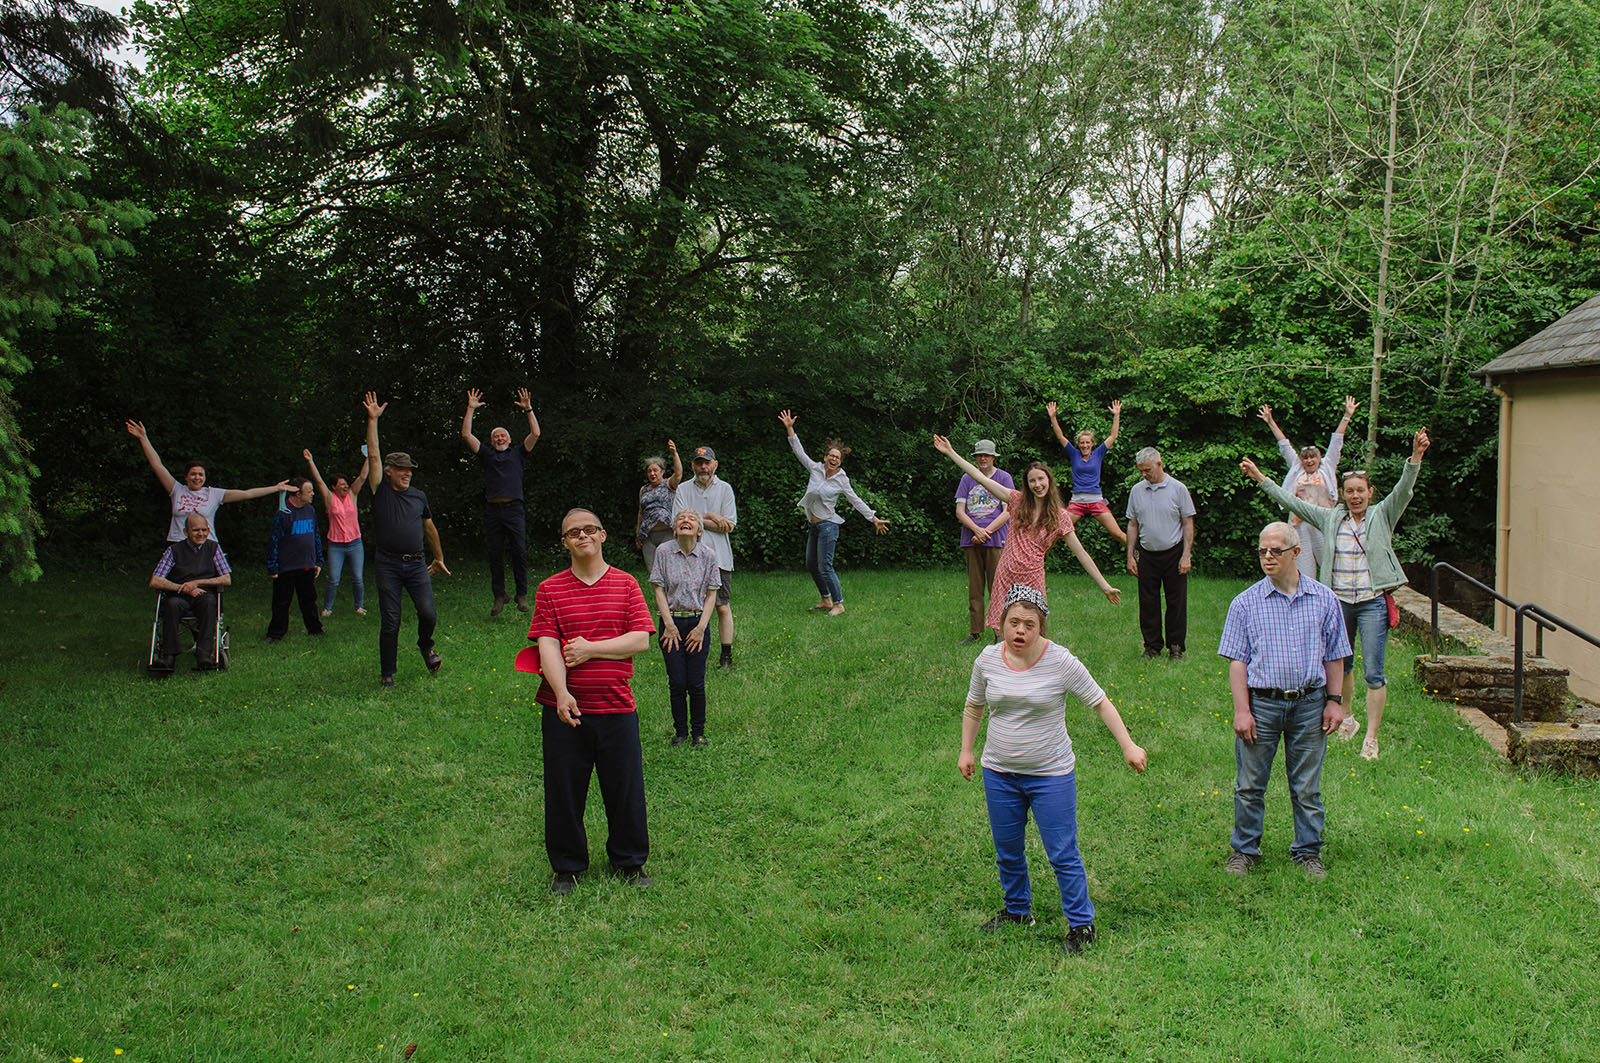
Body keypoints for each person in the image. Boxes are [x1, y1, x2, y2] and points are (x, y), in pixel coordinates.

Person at [959, 584, 1147, 955]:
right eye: (1014, 622)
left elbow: (1100, 702)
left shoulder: (1061, 661)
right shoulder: (987, 660)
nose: (1020, 631)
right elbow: (973, 706)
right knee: (1007, 848)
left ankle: (1081, 925)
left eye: (1029, 624)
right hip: (999, 771)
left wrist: (1128, 745)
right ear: (1002, 624)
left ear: (1041, 627)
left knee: (1062, 851)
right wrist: (967, 750)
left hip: (1051, 775)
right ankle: (1017, 911)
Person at [1240, 428, 1431, 760]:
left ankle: (1371, 737)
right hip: (1338, 601)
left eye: (1361, 491)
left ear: (1370, 493)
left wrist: (1415, 457)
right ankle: (1348, 718)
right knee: (1341, 666)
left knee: (1374, 670)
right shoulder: (1331, 518)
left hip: (1371, 603)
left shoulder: (1382, 515)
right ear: (1341, 494)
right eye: (1349, 491)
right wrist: (1261, 478)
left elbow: (1404, 489)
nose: (1355, 496)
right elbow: (1292, 501)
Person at [530, 508, 657, 894]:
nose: (582, 536)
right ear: (565, 542)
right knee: (564, 791)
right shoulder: (550, 589)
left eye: (589, 530)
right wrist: (562, 693)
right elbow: (547, 644)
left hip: (617, 706)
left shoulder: (626, 585)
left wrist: (589, 650)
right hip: (565, 710)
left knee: (625, 790)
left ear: (602, 535)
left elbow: (640, 639)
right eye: (573, 533)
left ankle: (630, 862)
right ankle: (567, 867)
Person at [1218, 521, 1351, 880]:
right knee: (1249, 784)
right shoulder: (1244, 603)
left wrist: (1334, 701)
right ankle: (1245, 851)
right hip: (1262, 704)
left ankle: (1308, 852)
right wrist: (1242, 710)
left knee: (1307, 785)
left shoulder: (1324, 599)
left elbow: (1335, 655)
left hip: (1309, 704)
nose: (1267, 557)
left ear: (1296, 553)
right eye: (1262, 550)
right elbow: (1237, 661)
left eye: (1275, 550)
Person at [933, 435, 1121, 639]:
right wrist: (951, 453)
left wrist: (1105, 586)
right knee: (1002, 632)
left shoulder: (1061, 517)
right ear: (1027, 484)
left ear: (1049, 480)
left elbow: (1082, 554)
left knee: (1033, 632)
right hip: (1006, 574)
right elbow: (981, 479)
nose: (1037, 484)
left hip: (1033, 577)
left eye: (1041, 479)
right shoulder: (1016, 500)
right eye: (1032, 481)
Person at [364, 392, 450, 689]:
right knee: (391, 620)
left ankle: (426, 645)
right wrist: (373, 420)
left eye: (410, 469)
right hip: (387, 563)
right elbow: (373, 454)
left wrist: (438, 557)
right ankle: (388, 673)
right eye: (402, 469)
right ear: (388, 472)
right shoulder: (381, 492)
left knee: (428, 612)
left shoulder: (418, 496)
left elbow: (429, 527)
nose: (408, 473)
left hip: (416, 565)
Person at [778, 409, 890, 617]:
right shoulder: (815, 469)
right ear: (825, 457)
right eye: (831, 455)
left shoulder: (842, 480)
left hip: (829, 526)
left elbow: (855, 500)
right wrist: (790, 429)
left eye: (837, 457)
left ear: (840, 461)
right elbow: (799, 451)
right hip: (814, 525)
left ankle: (839, 603)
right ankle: (826, 600)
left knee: (825, 565)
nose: (833, 459)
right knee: (811, 564)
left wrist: (873, 517)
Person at [125, 420, 290, 543]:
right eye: (193, 474)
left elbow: (247, 493)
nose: (197, 477)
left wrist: (276, 488)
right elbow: (157, 465)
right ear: (186, 477)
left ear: (205, 477)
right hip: (178, 543)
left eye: (200, 475)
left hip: (207, 545)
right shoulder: (177, 490)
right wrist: (143, 438)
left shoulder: (214, 494)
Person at [1258, 397, 1358, 580]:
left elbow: (1336, 442)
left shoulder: (1327, 468)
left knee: (1332, 567)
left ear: (1319, 458)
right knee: (1304, 572)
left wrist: (1347, 416)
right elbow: (1284, 445)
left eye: (1313, 457)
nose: (1309, 461)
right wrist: (1271, 422)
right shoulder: (1297, 469)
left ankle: (1337, 600)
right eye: (1306, 458)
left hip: (1322, 522)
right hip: (1299, 524)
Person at [461, 387, 541, 615]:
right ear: (491, 441)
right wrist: (470, 409)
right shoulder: (487, 454)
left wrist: (529, 410)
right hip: (493, 511)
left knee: (519, 552)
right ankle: (499, 596)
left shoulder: (518, 453)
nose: (499, 437)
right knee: (494, 553)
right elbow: (467, 435)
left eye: (502, 435)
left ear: (509, 439)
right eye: (495, 436)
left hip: (514, 509)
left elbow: (535, 434)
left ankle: (521, 594)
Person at [650, 509, 721, 747]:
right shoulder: (663, 552)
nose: (685, 521)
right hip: (671, 623)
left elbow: (712, 594)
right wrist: (668, 624)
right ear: (674, 529)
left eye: (691, 519)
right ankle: (680, 732)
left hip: (697, 623)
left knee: (696, 682)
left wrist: (702, 627)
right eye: (681, 519)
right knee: (677, 681)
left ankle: (698, 733)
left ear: (699, 531)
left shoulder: (709, 555)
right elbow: (658, 588)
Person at [1124, 447, 1196, 660]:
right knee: (1148, 602)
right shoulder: (1137, 491)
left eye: (1147, 470)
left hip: (1173, 553)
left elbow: (1187, 522)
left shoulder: (1178, 489)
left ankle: (1176, 647)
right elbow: (1133, 524)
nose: (1144, 475)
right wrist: (1130, 554)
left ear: (1159, 464)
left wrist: (1186, 555)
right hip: (1147, 554)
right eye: (1141, 471)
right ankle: (1152, 646)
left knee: (1176, 602)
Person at [672, 445, 738, 670]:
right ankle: (691, 653)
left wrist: (695, 519)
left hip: (719, 558)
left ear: (715, 464)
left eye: (707, 462)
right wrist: (710, 516)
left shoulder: (725, 489)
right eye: (699, 463)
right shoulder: (683, 489)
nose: (703, 466)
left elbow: (728, 525)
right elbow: (678, 522)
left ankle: (726, 656)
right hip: (687, 556)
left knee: (721, 606)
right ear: (692, 465)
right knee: (690, 605)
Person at [150, 513, 232, 670]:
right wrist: (183, 588)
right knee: (172, 605)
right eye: (195, 530)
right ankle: (169, 656)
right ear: (186, 532)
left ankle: (204, 655)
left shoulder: (213, 548)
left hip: (204, 595)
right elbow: (155, 580)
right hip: (179, 596)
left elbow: (226, 579)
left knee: (209, 602)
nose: (200, 534)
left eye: (204, 530)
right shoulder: (173, 550)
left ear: (208, 531)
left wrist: (196, 583)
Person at [1046, 399, 1128, 546]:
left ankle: (1138, 553)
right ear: (1078, 444)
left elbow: (1113, 436)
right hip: (1077, 501)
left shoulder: (1098, 453)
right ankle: (1035, 560)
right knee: (1057, 532)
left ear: (1092, 444)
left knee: (1117, 533)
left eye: (1087, 442)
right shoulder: (1074, 454)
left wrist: (1117, 415)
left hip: (1096, 500)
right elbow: (1060, 437)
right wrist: (1053, 417)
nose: (1084, 445)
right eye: (1082, 443)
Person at [955, 439, 1014, 644]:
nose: (982, 458)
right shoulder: (967, 478)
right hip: (971, 539)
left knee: (998, 587)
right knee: (975, 588)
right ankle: (975, 632)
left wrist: (986, 531)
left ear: (993, 457)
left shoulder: (1004, 478)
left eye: (986, 455)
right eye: (979, 455)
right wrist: (976, 530)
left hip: (996, 539)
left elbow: (1009, 511)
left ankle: (999, 632)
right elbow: (960, 511)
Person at [304, 448, 368, 616]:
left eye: (346, 483)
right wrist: (311, 461)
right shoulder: (329, 498)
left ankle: (359, 606)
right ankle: (327, 608)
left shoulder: (353, 494)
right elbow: (318, 481)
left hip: (355, 544)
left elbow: (362, 477)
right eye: (341, 484)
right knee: (333, 579)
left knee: (358, 578)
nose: (345, 486)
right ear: (334, 487)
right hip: (336, 546)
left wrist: (369, 457)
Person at [265, 477, 325, 642]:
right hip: (286, 567)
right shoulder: (283, 513)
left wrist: (318, 560)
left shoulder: (310, 510)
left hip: (306, 565)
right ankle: (275, 633)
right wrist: (273, 566)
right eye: (309, 491)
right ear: (297, 494)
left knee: (309, 600)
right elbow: (274, 541)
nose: (313, 494)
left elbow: (316, 535)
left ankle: (315, 629)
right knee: (281, 602)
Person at [634, 441, 684, 574]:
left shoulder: (669, 484)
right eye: (649, 471)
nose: (652, 473)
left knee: (669, 570)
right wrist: (638, 534)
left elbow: (678, 474)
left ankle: (671, 595)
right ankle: (659, 595)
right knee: (653, 572)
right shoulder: (643, 490)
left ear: (662, 472)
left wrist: (674, 453)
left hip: (667, 533)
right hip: (648, 535)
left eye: (655, 470)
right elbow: (641, 512)